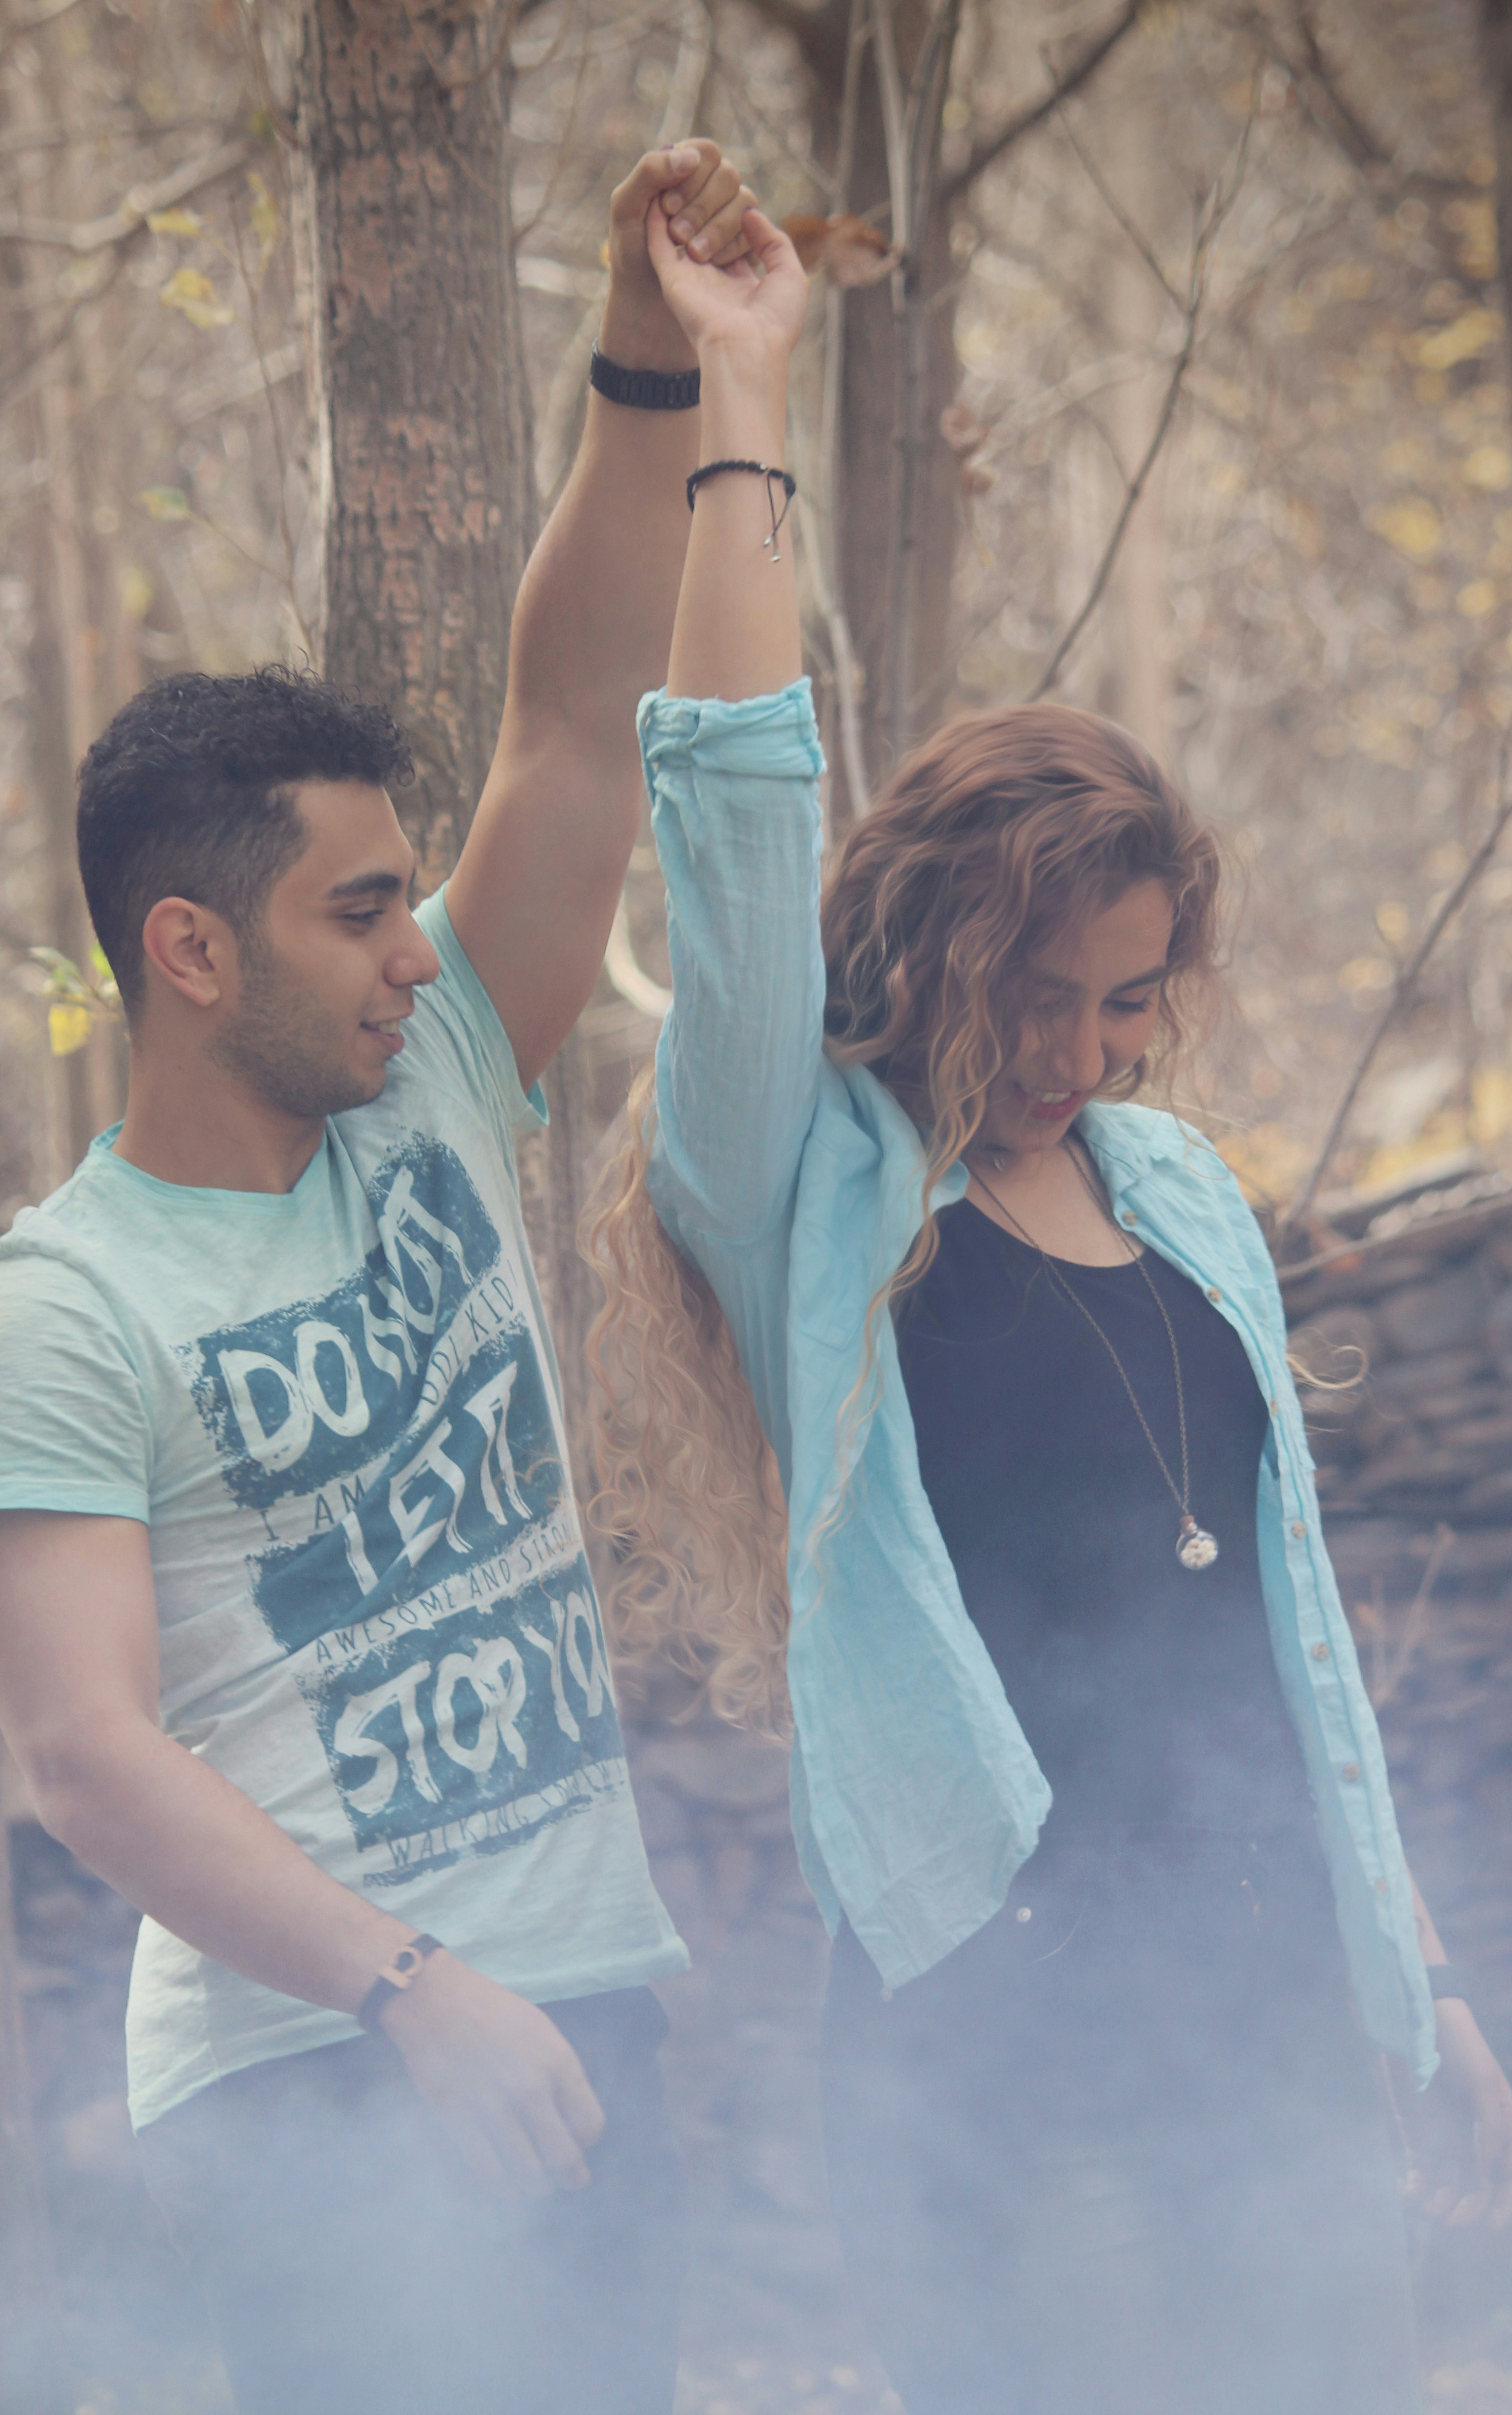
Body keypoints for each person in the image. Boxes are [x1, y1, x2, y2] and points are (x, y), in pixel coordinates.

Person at [587, 203, 1512, 2414]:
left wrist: (1421, 1992)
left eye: (1123, 1004)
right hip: (1002, 2054)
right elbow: (730, 822)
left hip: (1277, 2022)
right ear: (928, 940)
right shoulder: (804, 1182)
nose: (1084, 1049)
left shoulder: (1179, 1188)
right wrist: (745, 397)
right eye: (1036, 991)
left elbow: (1288, 1643)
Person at [0, 142, 763, 2415]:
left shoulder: (426, 1084)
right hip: (316, 2069)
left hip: (576, 2009)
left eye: (415, 900)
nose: (420, 950)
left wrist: (658, 359)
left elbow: (570, 719)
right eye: (362, 911)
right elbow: (78, 1747)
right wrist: (409, 1986)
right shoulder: (66, 1298)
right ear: (190, 949)